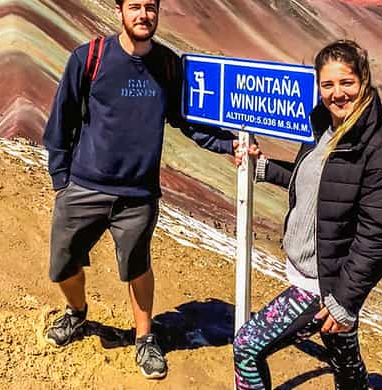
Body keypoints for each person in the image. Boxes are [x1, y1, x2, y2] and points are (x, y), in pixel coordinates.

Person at [42, 0, 241, 379]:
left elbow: (188, 121)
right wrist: (60, 180)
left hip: (138, 194)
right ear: (120, 10)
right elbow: (61, 118)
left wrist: (228, 144)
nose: (143, 15)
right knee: (63, 264)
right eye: (135, 6)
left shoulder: (168, 65)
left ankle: (145, 338)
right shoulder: (90, 57)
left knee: (137, 265)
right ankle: (77, 313)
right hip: (85, 184)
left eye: (150, 7)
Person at [233, 40, 382, 390]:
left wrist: (343, 301)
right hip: (318, 274)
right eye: (327, 85)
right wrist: (263, 168)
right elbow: (314, 181)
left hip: (323, 285)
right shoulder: (323, 128)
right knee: (344, 360)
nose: (337, 93)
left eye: (347, 83)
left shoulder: (381, 149)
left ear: (364, 81)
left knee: (246, 347)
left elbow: (375, 239)